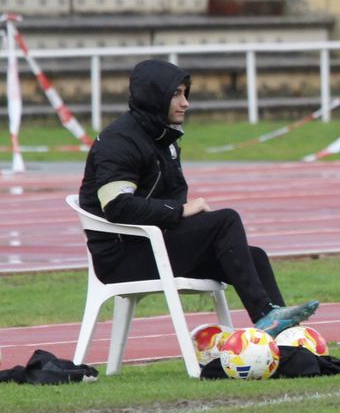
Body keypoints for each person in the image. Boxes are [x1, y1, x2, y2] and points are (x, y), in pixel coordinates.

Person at [78, 59, 320, 337]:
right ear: (155, 96)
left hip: (153, 245)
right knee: (226, 220)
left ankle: (289, 342)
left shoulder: (161, 137)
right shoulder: (119, 141)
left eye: (185, 93)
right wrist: (178, 211)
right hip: (123, 259)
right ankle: (266, 315)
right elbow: (117, 206)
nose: (185, 103)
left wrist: (186, 216)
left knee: (255, 257)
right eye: (176, 94)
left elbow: (171, 197)